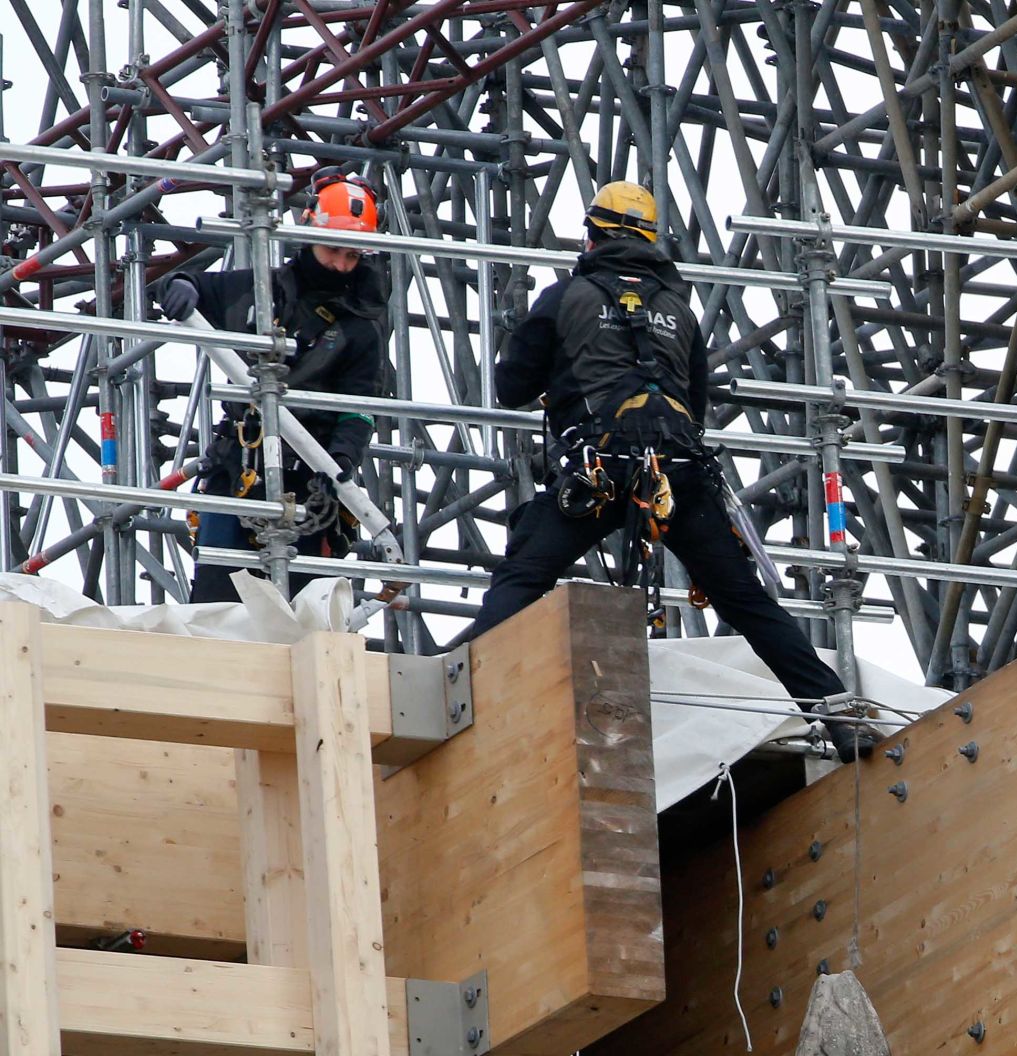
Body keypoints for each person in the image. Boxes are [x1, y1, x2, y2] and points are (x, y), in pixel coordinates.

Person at [472, 180, 873, 764]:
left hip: (598, 469)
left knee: (523, 574)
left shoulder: (565, 298)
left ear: (593, 234)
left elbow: (511, 388)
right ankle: (837, 712)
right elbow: (697, 404)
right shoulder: (679, 309)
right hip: (677, 473)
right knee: (747, 603)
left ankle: (460, 693)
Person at [156, 167, 387, 602]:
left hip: (310, 481)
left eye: (352, 256)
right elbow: (202, 287)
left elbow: (359, 409)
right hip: (240, 468)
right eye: (333, 250)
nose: (340, 264)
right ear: (309, 235)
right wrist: (181, 283)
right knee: (216, 603)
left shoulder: (360, 325)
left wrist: (336, 467)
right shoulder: (263, 291)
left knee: (303, 612)